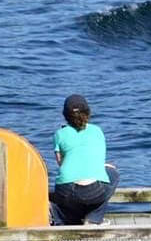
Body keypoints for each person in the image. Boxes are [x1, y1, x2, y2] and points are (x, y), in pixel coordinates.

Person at [50, 94, 120, 225]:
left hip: (66, 190)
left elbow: (60, 162)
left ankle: (62, 217)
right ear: (88, 112)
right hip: (94, 191)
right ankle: (93, 219)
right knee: (113, 174)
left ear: (65, 115)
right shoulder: (97, 131)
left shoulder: (59, 134)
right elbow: (97, 159)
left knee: (65, 196)